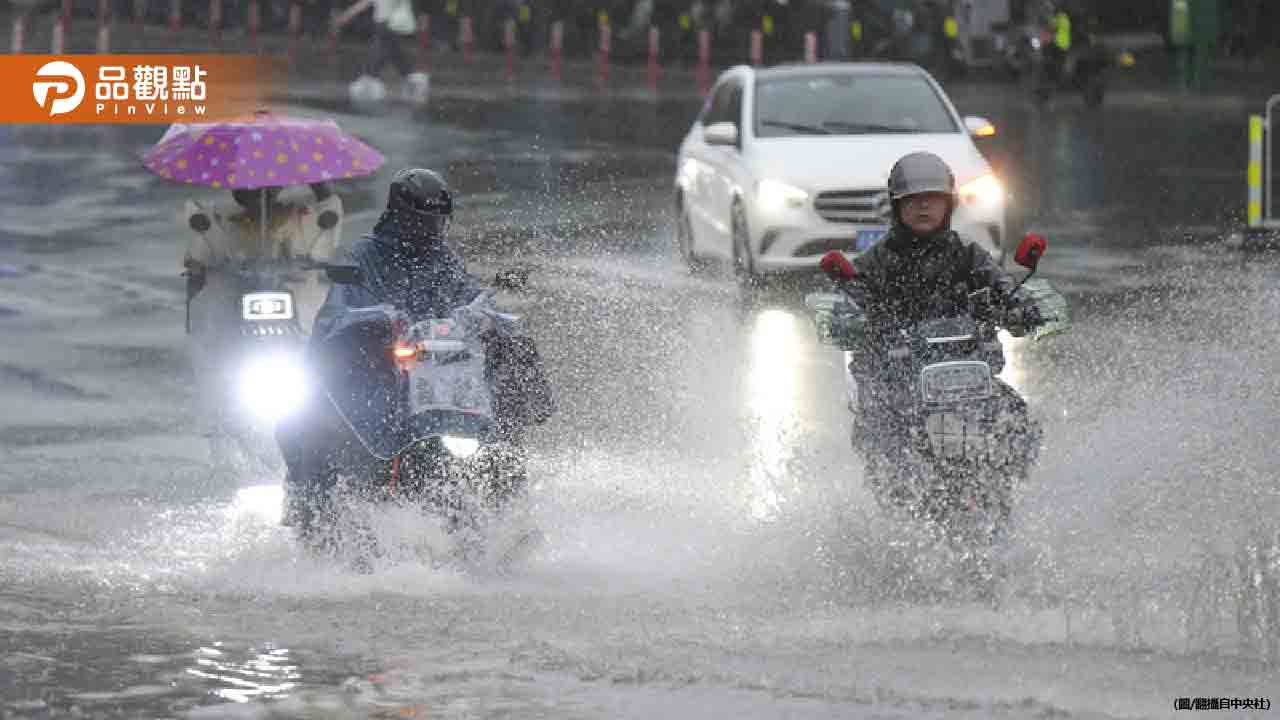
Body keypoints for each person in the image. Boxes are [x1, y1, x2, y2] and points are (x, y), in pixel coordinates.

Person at [276, 168, 554, 526]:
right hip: (377, 372)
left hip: (440, 370)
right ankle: (314, 512)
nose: (432, 230)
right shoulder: (362, 257)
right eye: (424, 222)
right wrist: (380, 321)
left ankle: (510, 504)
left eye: (439, 222)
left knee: (507, 378)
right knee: (310, 420)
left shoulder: (444, 259)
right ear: (401, 216)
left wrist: (491, 317)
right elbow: (339, 313)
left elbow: (466, 293)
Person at [846, 152, 1043, 505]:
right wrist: (853, 318)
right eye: (913, 200)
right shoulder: (875, 261)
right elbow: (849, 300)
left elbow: (1001, 284)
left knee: (1016, 420)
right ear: (896, 206)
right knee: (884, 433)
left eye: (933, 199)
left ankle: (1005, 490)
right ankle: (894, 507)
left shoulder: (967, 255)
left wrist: (1020, 305)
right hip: (896, 375)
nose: (924, 207)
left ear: (948, 204)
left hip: (961, 373)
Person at [351, 0, 429, 103]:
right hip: (385, 25)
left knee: (387, 54)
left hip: (387, 24)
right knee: (396, 55)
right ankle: (413, 81)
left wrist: (347, 15)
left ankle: (369, 79)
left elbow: (364, 4)